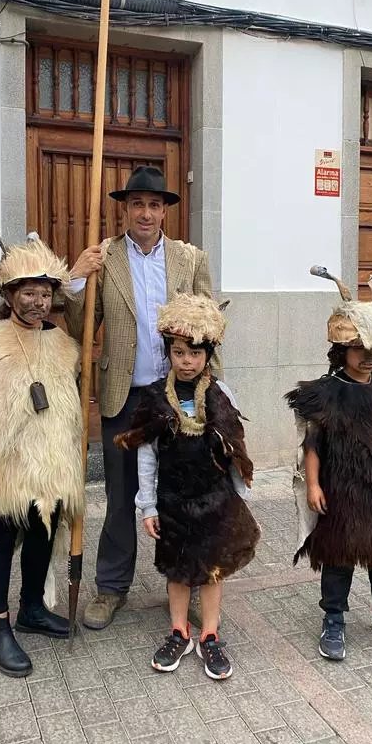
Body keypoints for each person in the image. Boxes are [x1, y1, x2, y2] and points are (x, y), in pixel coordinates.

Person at [65, 166, 220, 630]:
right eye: (137, 204)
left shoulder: (189, 259)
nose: (146, 213)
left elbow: (209, 327)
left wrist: (215, 391)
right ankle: (112, 588)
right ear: (125, 208)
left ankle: (188, 582)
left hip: (176, 396)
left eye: (154, 204)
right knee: (119, 496)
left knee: (183, 495)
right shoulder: (104, 257)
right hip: (123, 398)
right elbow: (78, 327)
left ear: (166, 210)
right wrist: (75, 278)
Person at [0, 230, 84, 677]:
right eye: (28, 292)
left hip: (52, 467)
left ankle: (31, 610)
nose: (38, 301)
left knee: (43, 533)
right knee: (1, 539)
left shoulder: (63, 344)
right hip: (4, 469)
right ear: (9, 294)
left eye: (45, 293)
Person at [285, 267, 372, 662]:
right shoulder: (327, 394)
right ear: (341, 350)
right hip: (341, 490)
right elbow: (312, 445)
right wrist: (313, 485)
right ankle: (334, 618)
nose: (367, 357)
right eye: (358, 349)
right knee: (339, 555)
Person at [114, 293, 260, 679]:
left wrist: (239, 497)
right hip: (173, 500)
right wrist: (148, 506)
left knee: (213, 571)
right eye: (179, 353)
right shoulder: (154, 398)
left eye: (195, 354)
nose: (187, 361)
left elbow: (234, 449)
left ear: (208, 355)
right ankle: (179, 631)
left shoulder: (222, 396)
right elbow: (146, 456)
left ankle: (210, 635)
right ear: (169, 353)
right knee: (177, 570)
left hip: (215, 499)